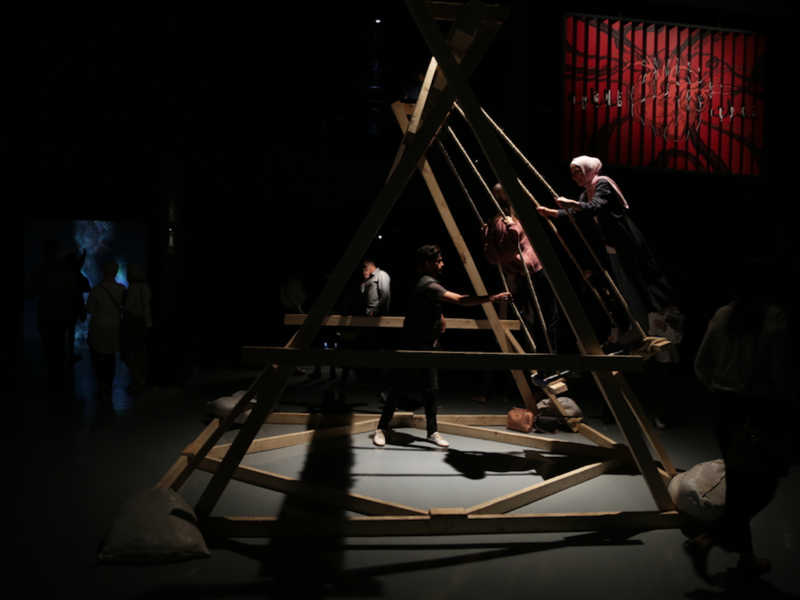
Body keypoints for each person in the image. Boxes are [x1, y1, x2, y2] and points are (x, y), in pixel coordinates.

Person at [684, 260, 796, 584]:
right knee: (763, 488)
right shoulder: (774, 318)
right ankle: (706, 541)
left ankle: (746, 558)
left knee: (738, 485)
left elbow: (701, 366)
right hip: (759, 410)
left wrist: (722, 391)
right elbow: (783, 377)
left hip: (724, 408)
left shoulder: (722, 316)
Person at [374, 245, 512, 448]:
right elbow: (460, 300)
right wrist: (492, 298)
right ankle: (381, 428)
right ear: (428, 263)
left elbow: (429, 304)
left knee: (431, 391)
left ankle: (432, 431)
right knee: (399, 389)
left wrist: (440, 315)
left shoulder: (429, 284)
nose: (442, 263)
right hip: (414, 347)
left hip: (429, 346)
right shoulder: (427, 284)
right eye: (438, 260)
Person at [536, 156, 678, 339]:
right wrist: (552, 213)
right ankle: (636, 327)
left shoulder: (603, 184)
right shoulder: (587, 191)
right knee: (624, 289)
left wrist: (570, 203)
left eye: (576, 173)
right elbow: (577, 215)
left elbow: (595, 207)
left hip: (625, 243)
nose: (574, 178)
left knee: (632, 286)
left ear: (588, 169)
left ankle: (641, 329)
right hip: (612, 245)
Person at [484, 183, 558, 350]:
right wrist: (513, 227)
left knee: (543, 316)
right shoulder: (505, 222)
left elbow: (493, 258)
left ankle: (547, 359)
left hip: (523, 274)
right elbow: (508, 253)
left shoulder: (497, 221)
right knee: (547, 317)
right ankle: (549, 360)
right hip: (532, 272)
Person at [26, 238, 78, 390]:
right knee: (60, 344)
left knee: (49, 347)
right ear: (56, 251)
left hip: (46, 313)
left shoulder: (38, 268)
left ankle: (53, 377)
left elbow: (31, 294)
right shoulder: (66, 269)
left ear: (43, 251)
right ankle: (59, 377)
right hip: (63, 313)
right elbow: (74, 292)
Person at [86, 261, 125, 398]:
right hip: (114, 328)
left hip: (97, 328)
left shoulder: (97, 290)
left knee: (96, 357)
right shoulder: (121, 289)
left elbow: (89, 309)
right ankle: (108, 384)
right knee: (110, 358)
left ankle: (101, 383)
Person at [121, 263, 152, 393]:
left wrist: (119, 310)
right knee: (140, 353)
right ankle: (139, 380)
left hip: (134, 325)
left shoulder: (133, 287)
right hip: (146, 324)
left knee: (126, 354)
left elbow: (128, 307)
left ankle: (138, 380)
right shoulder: (146, 287)